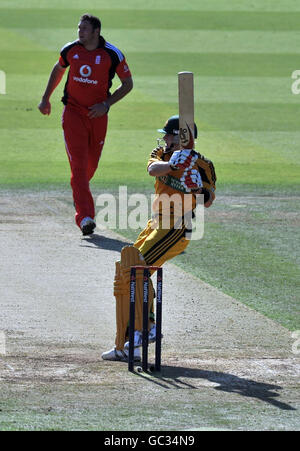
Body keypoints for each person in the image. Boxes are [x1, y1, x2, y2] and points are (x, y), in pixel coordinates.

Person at [101, 115, 216, 362]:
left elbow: (207, 200)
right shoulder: (162, 153)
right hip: (155, 222)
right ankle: (135, 334)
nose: (164, 139)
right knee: (127, 267)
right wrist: (175, 166)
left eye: (168, 135)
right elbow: (152, 168)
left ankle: (145, 330)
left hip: (178, 224)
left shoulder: (203, 164)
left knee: (137, 266)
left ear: (181, 137)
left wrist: (195, 186)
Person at [38, 14, 133, 235]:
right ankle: (85, 217)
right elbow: (59, 69)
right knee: (79, 167)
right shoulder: (71, 50)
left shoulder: (112, 54)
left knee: (90, 166)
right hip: (73, 113)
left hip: (98, 116)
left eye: (84, 28)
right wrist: (45, 98)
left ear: (96, 31)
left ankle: (79, 193)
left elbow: (128, 84)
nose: (80, 32)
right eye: (79, 28)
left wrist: (106, 105)